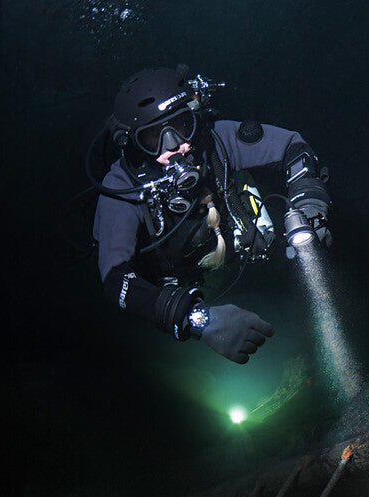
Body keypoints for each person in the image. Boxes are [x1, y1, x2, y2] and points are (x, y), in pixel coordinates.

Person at [91, 65, 331, 363]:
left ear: (194, 118)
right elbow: (117, 280)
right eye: (153, 138)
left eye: (180, 126)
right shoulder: (121, 186)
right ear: (133, 144)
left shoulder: (214, 140)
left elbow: (294, 148)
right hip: (186, 282)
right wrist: (199, 318)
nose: (174, 146)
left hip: (244, 255)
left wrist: (310, 209)